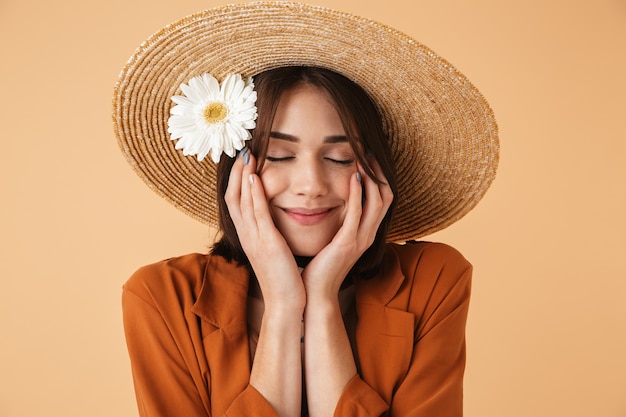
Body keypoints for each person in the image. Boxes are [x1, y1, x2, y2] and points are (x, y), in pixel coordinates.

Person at [112, 3, 499, 417]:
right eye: (278, 155)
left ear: (374, 173)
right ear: (236, 174)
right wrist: (282, 304)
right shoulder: (162, 297)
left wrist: (322, 300)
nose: (312, 186)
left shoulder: (433, 280)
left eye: (339, 157)